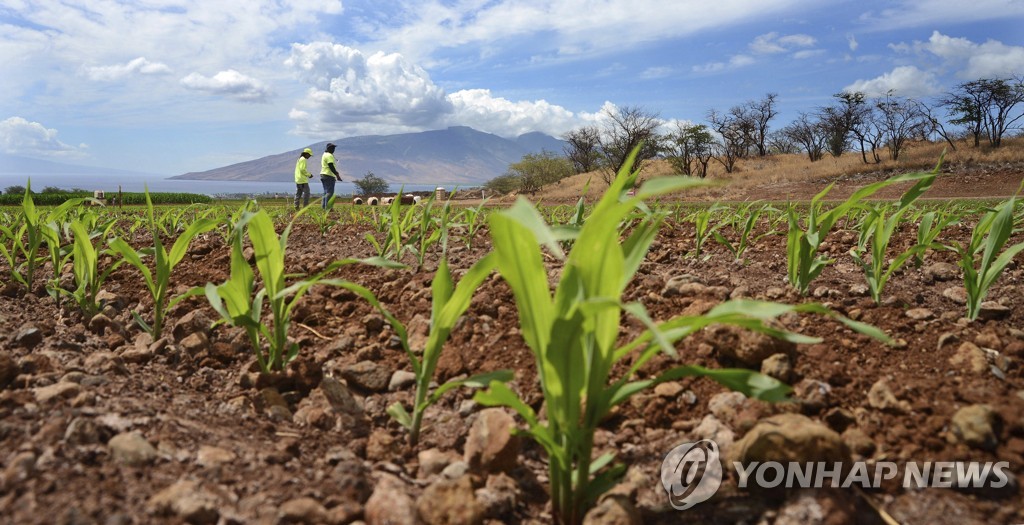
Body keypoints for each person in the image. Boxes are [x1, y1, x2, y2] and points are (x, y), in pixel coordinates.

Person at [320, 142, 341, 210]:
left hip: (323, 174)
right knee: (330, 192)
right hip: (328, 175)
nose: (333, 149)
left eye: (334, 148)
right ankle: (328, 207)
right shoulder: (329, 155)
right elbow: (331, 166)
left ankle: (324, 207)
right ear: (328, 148)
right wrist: (336, 174)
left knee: (325, 192)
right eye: (332, 148)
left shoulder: (324, 154)